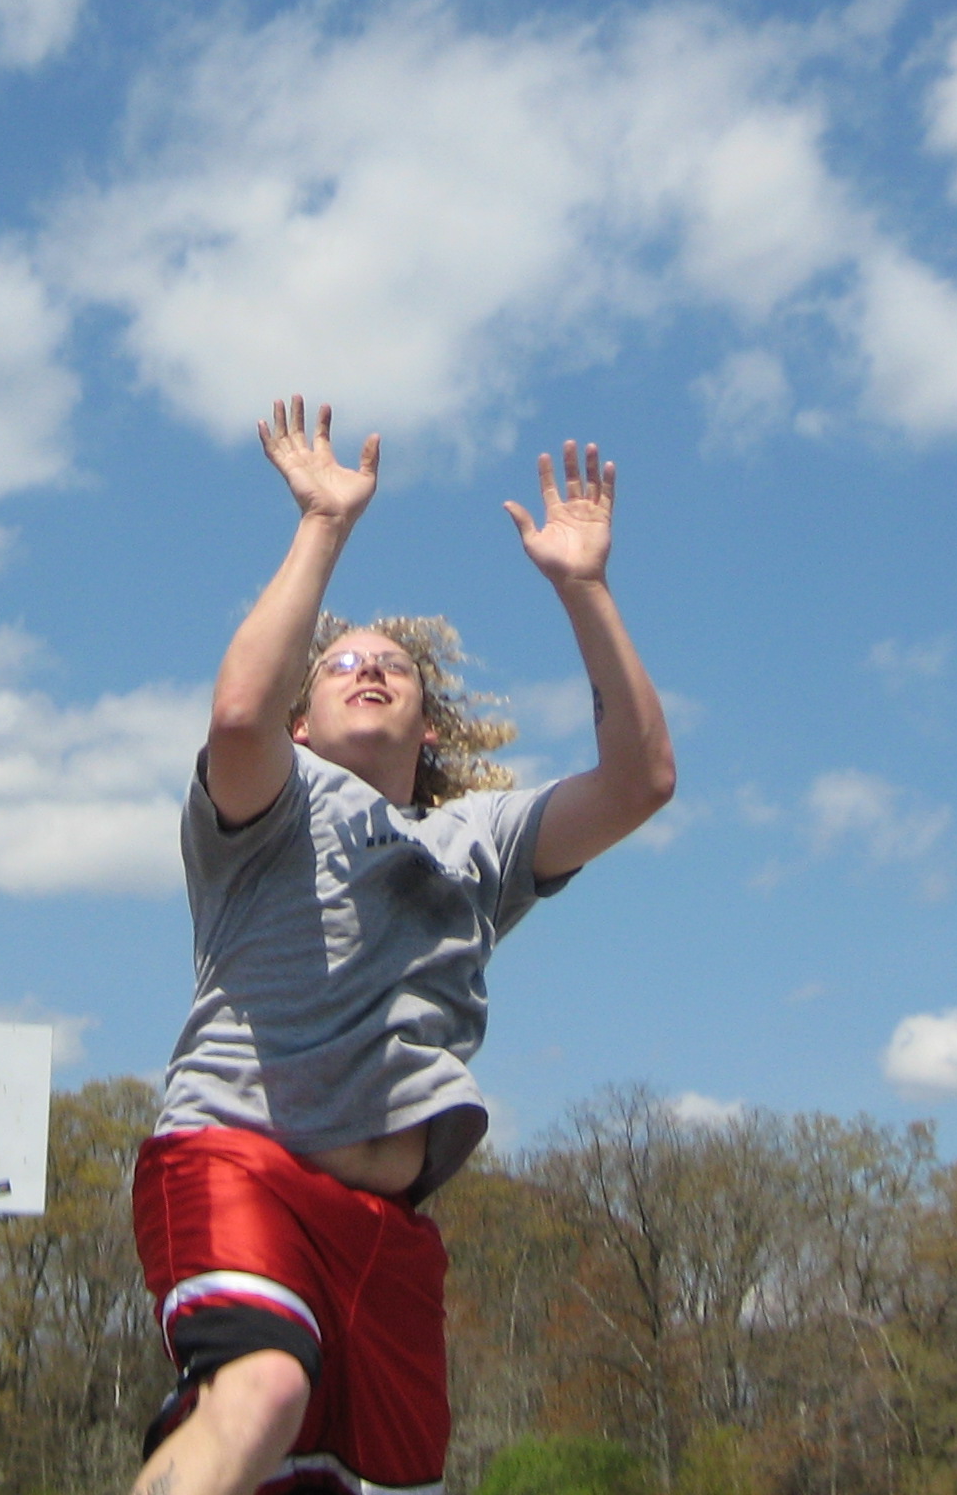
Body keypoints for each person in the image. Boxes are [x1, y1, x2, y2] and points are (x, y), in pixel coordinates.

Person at [133, 395, 677, 1495]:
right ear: (303, 719)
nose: (368, 666)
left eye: (395, 665)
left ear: (429, 729)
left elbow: (639, 783)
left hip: (388, 1233)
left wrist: (585, 589)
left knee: (367, 1483)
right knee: (261, 1391)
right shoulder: (270, 809)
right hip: (241, 1159)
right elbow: (237, 715)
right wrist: (322, 528)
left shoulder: (478, 841)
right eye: (339, 665)